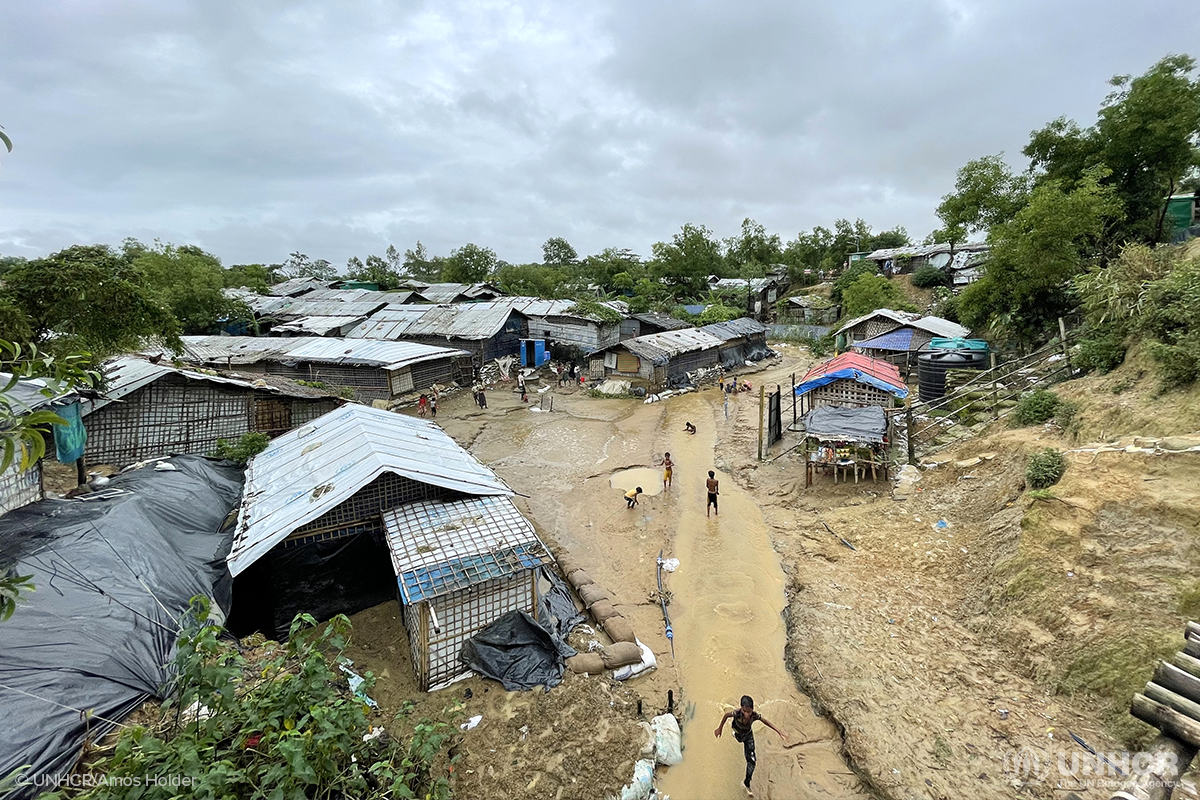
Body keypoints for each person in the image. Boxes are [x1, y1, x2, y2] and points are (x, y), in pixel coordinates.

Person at [714, 695, 788, 796]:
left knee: (752, 761)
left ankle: (747, 783)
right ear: (741, 708)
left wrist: (779, 732)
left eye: (749, 711)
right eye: (744, 711)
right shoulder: (736, 713)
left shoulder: (754, 715)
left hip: (748, 736)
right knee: (739, 739)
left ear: (752, 710)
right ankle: (735, 735)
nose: (747, 714)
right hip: (738, 731)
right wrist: (719, 728)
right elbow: (726, 715)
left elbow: (765, 721)